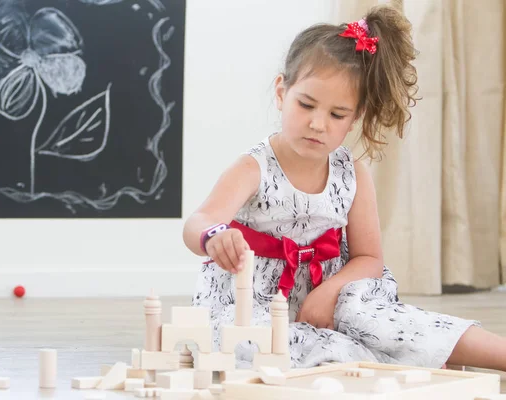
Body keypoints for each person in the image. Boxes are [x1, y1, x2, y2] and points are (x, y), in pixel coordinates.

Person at [182, 4, 506, 371]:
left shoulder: (351, 173)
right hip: (254, 302)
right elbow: (199, 221)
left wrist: (329, 291)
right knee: (247, 339)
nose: (318, 124)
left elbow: (370, 258)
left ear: (356, 118)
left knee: (385, 319)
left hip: (331, 297)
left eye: (337, 114)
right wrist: (213, 236)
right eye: (306, 105)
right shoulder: (253, 167)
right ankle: (374, 364)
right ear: (281, 92)